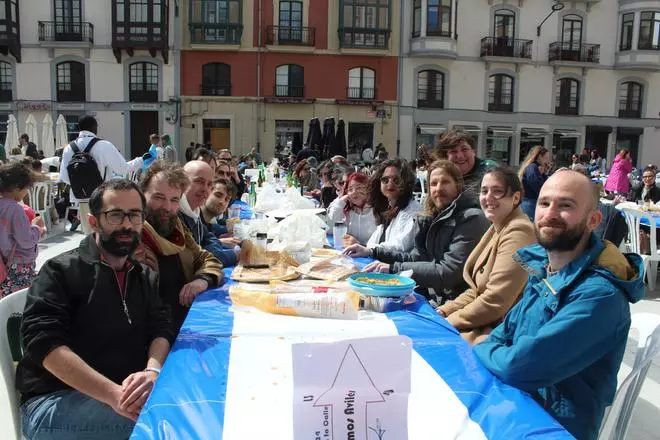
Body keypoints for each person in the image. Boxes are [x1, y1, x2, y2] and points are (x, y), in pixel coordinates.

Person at [473, 169, 644, 440]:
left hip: (553, 426)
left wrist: (481, 346)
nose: (550, 214)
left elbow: (518, 367)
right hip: (516, 403)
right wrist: (491, 345)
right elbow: (504, 333)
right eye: (544, 203)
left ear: (593, 220)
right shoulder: (545, 268)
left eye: (565, 205)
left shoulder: (600, 297)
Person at [16, 179, 174, 439]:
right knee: (166, 423)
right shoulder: (61, 271)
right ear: (93, 222)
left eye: (134, 215)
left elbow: (161, 326)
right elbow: (44, 344)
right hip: (53, 401)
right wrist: (114, 395)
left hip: (124, 392)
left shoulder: (144, 276)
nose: (126, 224)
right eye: (114, 215)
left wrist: (152, 371)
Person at [349, 160, 489, 304]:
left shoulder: (471, 218)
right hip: (431, 295)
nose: (439, 188)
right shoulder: (432, 215)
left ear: (458, 185)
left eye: (445, 182)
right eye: (434, 184)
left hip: (453, 303)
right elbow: (416, 257)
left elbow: (449, 272)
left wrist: (394, 268)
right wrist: (373, 252)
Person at [438, 167, 536, 343]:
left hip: (500, 332)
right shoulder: (499, 224)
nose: (488, 197)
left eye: (497, 191)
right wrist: (445, 310)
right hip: (485, 321)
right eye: (484, 191)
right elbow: (477, 290)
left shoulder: (519, 230)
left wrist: (446, 322)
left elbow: (495, 300)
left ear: (515, 198)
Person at [59, 115, 130, 234]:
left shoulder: (68, 148)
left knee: (89, 234)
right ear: (94, 127)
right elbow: (123, 169)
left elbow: (64, 178)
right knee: (106, 233)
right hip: (103, 196)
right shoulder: (104, 145)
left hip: (81, 198)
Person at [342, 159, 420, 254]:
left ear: (406, 182)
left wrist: (369, 250)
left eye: (396, 180)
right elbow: (373, 241)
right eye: (385, 180)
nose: (390, 184)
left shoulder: (413, 210)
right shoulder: (388, 207)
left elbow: (401, 246)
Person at [179, 160, 239, 267]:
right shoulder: (176, 215)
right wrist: (239, 255)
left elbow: (209, 238)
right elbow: (204, 257)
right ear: (182, 182)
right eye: (199, 181)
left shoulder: (194, 212)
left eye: (209, 184)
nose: (205, 189)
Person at [0, 163, 46, 297]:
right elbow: (25, 240)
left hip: (3, 262)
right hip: (18, 265)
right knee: (22, 299)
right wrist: (37, 227)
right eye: (26, 189)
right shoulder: (15, 209)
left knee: (6, 300)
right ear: (17, 187)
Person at [432, 128, 491, 200]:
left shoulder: (489, 171)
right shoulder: (442, 175)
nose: (460, 156)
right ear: (446, 157)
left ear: (473, 151)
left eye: (464, 149)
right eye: (453, 151)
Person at [327, 172, 377, 246]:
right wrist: (340, 203)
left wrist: (359, 245)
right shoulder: (347, 210)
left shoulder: (377, 212)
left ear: (369, 189)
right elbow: (330, 229)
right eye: (350, 189)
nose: (354, 192)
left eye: (359, 188)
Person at [519, 146, 551, 221]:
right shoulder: (532, 168)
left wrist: (544, 173)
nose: (547, 160)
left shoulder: (535, 168)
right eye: (546, 158)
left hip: (531, 202)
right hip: (530, 203)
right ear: (540, 156)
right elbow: (538, 186)